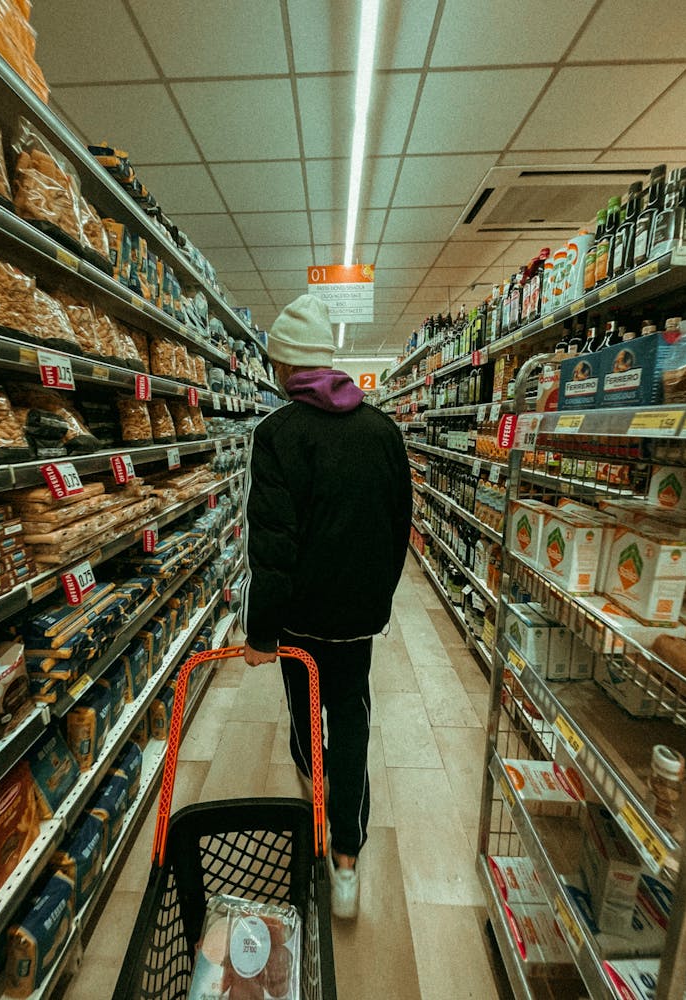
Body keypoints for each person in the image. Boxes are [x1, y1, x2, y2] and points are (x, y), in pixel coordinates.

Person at [240, 293, 412, 919]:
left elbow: (273, 548)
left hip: (301, 620)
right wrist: (376, 600)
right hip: (358, 619)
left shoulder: (277, 435)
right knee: (352, 713)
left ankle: (316, 807)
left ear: (283, 367)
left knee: (306, 715)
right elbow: (401, 529)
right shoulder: (383, 429)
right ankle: (346, 857)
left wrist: (262, 633)